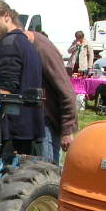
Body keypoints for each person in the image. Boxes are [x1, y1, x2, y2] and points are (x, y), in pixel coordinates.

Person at [0, 0, 43, 160]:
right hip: (30, 130)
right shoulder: (24, 42)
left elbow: (6, 90)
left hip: (15, 134)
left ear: (6, 16)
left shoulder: (9, 43)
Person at [28, 29, 79, 163]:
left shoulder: (44, 51)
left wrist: (67, 130)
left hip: (48, 120)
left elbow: (67, 92)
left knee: (49, 167)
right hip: (36, 118)